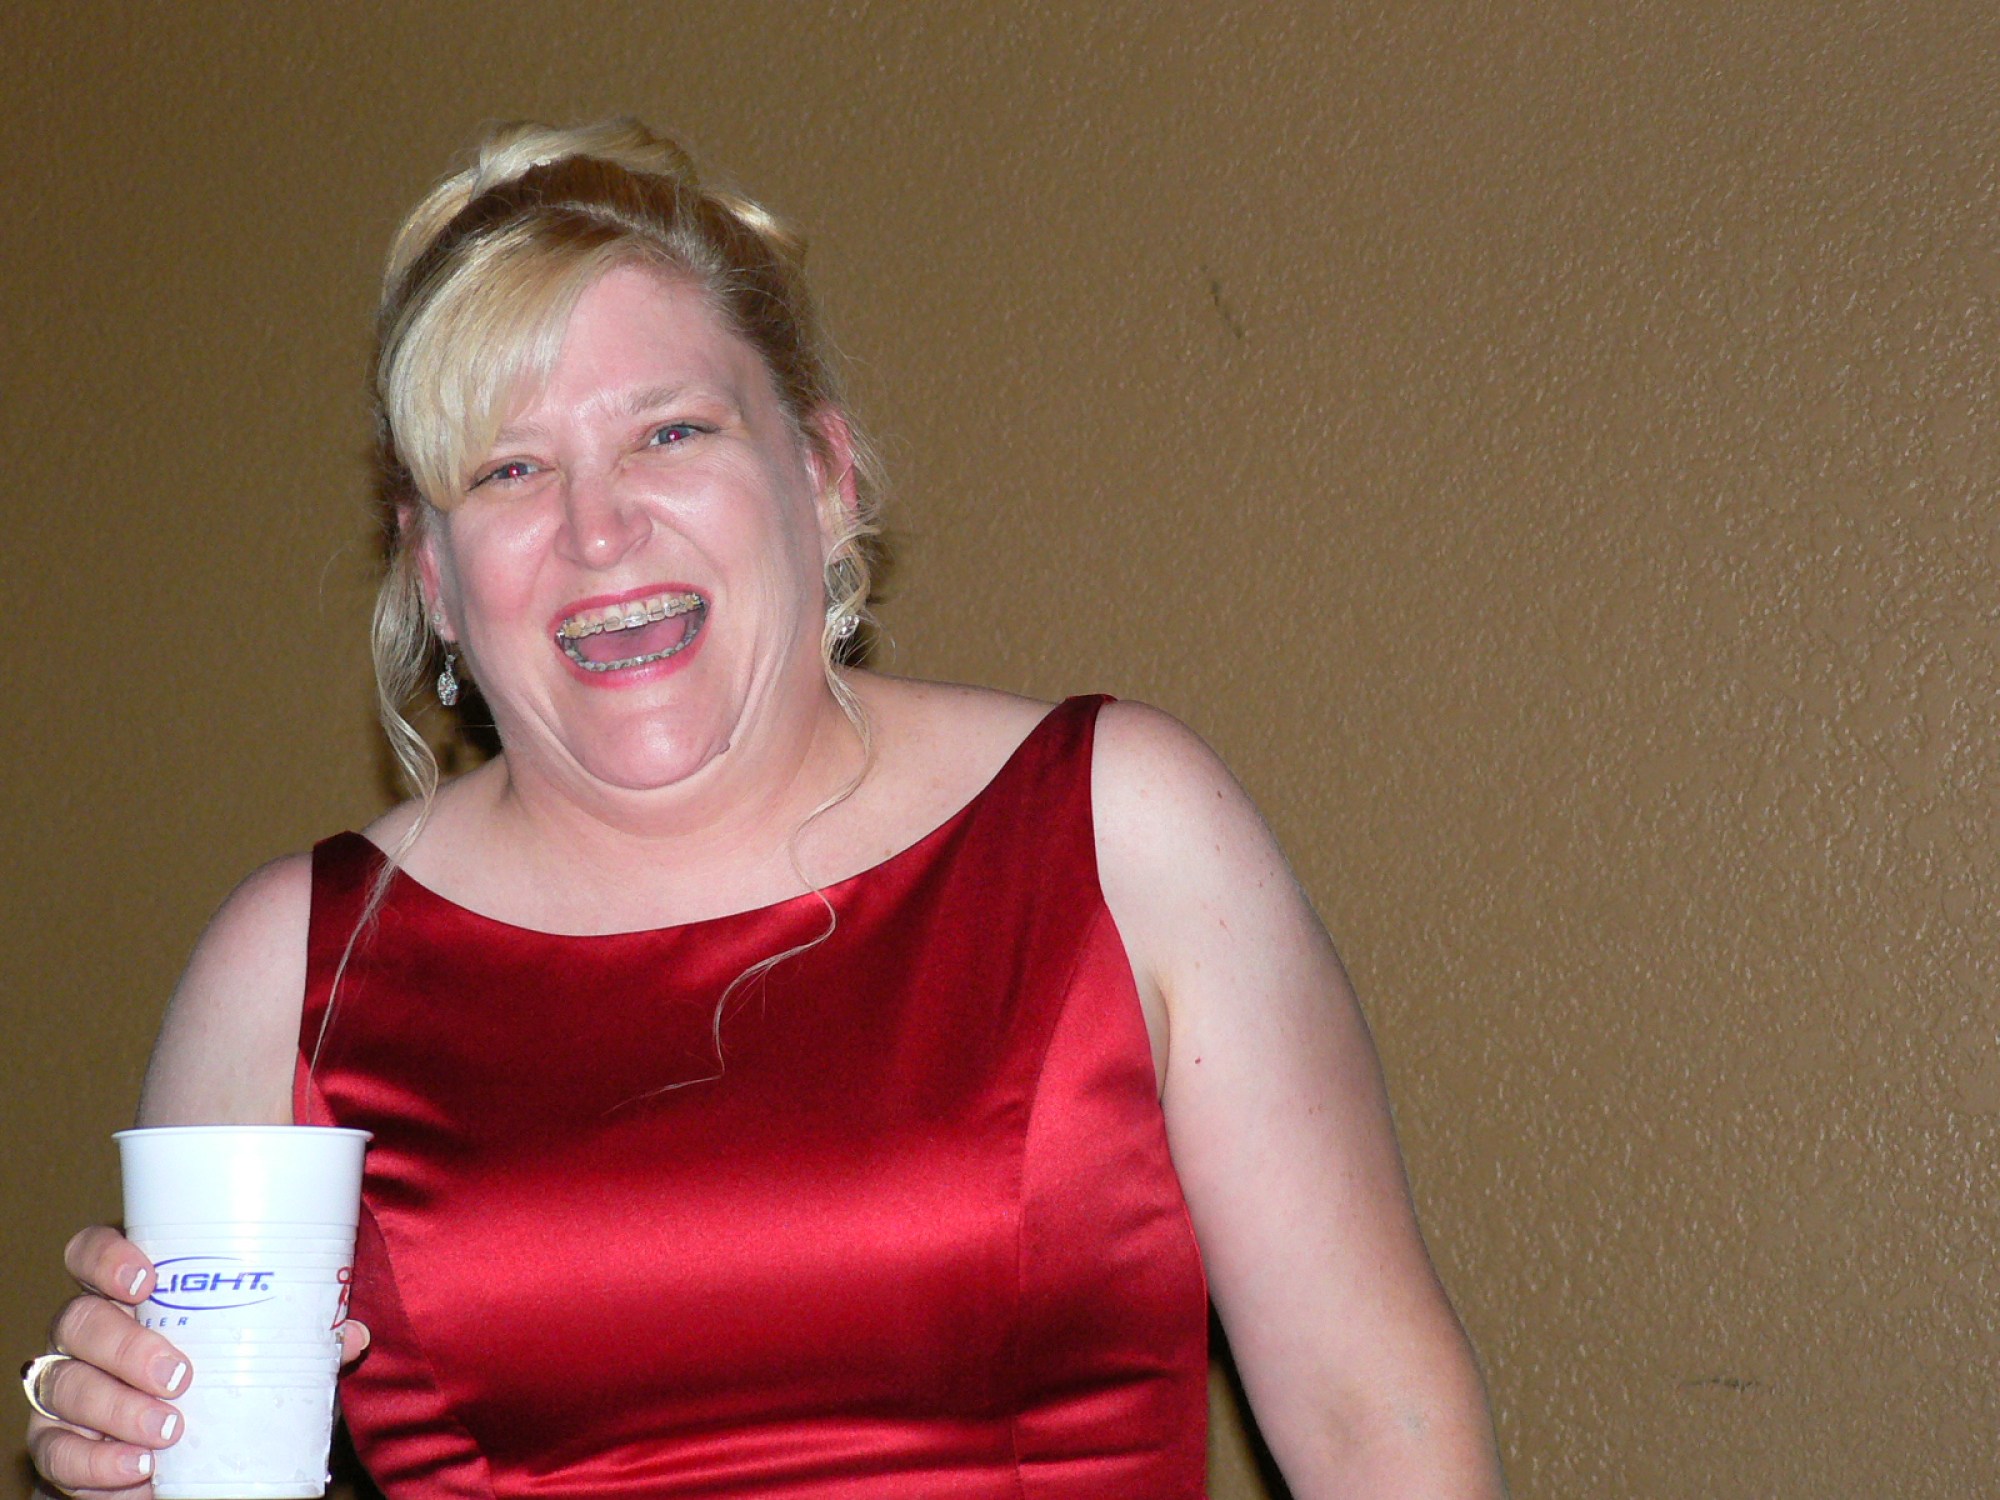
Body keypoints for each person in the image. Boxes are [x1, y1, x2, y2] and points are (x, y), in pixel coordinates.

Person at [24, 119, 1504, 1499]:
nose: (599, 529)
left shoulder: (1118, 829)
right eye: (512, 469)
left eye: (670, 433)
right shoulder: (291, 968)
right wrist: (123, 1451)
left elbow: (1378, 1426)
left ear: (823, 475)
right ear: (435, 579)